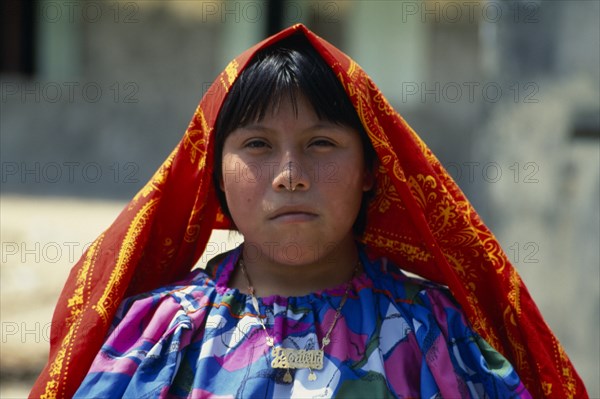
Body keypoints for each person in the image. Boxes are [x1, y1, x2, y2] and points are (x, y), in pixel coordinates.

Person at [30, 24, 586, 398]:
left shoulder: (436, 335)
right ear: (212, 174)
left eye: (321, 144)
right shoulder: (159, 337)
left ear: (371, 170)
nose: (290, 174)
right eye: (257, 146)